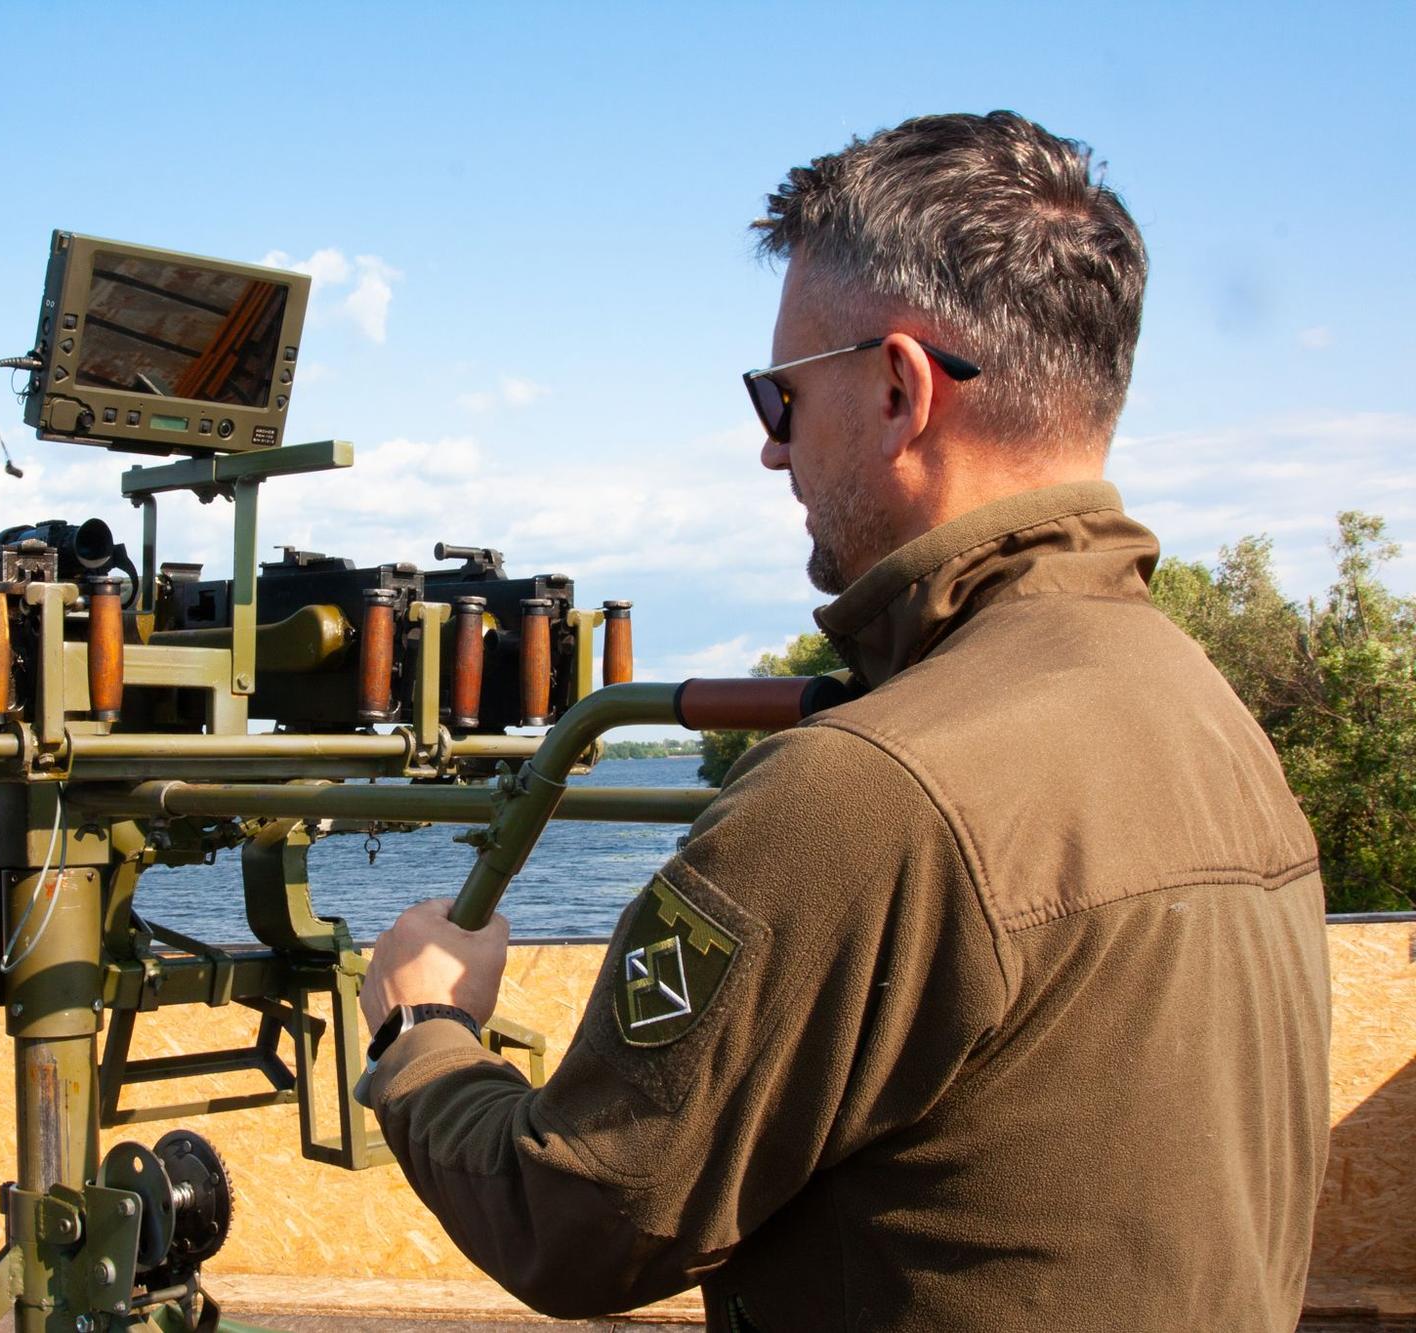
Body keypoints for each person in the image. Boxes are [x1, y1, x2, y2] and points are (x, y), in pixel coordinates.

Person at [357, 111, 1330, 1332]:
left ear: (896, 387)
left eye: (779, 397)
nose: (772, 453)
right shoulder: (1203, 710)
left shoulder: (868, 790)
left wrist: (426, 1030)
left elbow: (576, 1221)